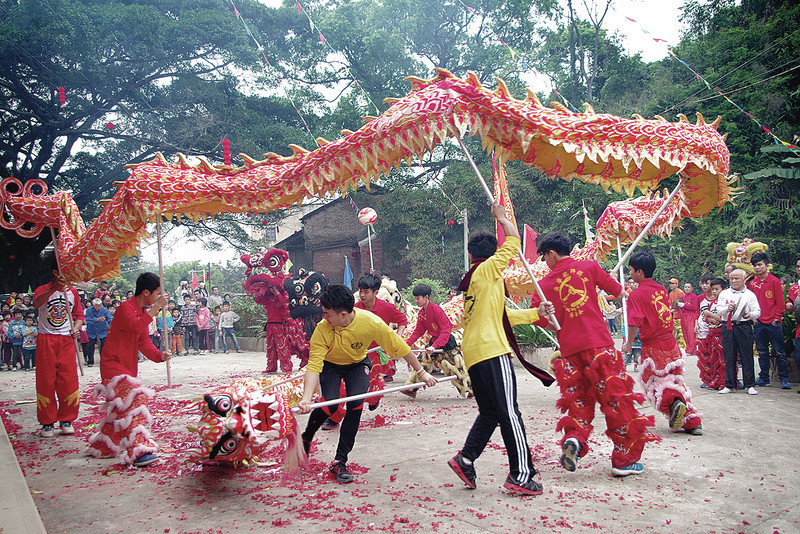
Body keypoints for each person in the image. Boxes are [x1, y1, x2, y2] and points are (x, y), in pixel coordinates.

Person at [448, 201, 552, 497]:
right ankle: (522, 474)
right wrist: (502, 217)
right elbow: (515, 241)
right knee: (510, 412)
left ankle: (465, 459)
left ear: (470, 255)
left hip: (475, 353)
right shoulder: (489, 268)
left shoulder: (477, 281)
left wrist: (537, 314)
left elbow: (503, 317)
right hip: (492, 351)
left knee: (491, 412)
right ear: (490, 255)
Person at [535, 232, 659, 477]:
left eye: (544, 257)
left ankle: (575, 439)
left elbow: (539, 318)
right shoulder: (589, 268)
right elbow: (618, 292)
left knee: (579, 401)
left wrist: (559, 324)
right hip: (599, 347)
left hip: (569, 352)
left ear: (551, 253)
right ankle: (623, 459)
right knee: (615, 401)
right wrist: (611, 280)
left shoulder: (545, 284)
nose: (545, 263)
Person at [297, 284, 437, 484]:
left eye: (327, 314)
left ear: (343, 315)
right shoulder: (322, 329)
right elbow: (314, 366)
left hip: (357, 364)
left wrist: (421, 373)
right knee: (331, 404)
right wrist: (305, 399)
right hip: (331, 365)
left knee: (356, 406)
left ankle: (340, 461)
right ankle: (306, 438)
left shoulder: (370, 322)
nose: (324, 317)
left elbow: (400, 347)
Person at [87, 272, 172, 467]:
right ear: (146, 292)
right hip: (113, 366)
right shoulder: (125, 309)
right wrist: (156, 309)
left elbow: (143, 341)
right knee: (136, 400)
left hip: (126, 367)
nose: (160, 298)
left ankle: (104, 446)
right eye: (157, 293)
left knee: (119, 411)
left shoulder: (142, 313)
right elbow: (135, 327)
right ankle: (139, 449)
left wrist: (159, 355)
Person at [623, 252, 702, 435]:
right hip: (670, 343)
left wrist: (628, 344)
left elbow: (635, 322)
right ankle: (692, 422)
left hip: (653, 345)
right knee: (673, 380)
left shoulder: (636, 295)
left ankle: (675, 405)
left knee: (656, 382)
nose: (630, 273)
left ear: (640, 272)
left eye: (632, 270)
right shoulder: (660, 289)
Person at [32, 256, 85, 437]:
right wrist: (54, 288)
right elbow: (37, 303)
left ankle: (66, 419)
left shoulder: (73, 293)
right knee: (46, 379)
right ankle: (47, 422)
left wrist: (76, 329)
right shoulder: (42, 289)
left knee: (68, 379)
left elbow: (79, 315)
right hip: (46, 339)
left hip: (66, 340)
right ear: (56, 272)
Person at [402, 282, 472, 398]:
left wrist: (434, 346)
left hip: (447, 344)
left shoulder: (436, 310)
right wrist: (406, 344)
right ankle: (412, 388)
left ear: (426, 297)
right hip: (434, 343)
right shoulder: (421, 313)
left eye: (418, 298)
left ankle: (471, 389)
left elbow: (446, 330)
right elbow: (418, 331)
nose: (416, 301)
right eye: (415, 299)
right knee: (421, 364)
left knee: (456, 369)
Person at [747, 252, 790, 389]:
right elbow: (751, 303)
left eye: (760, 265)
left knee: (779, 352)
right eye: (755, 265)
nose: (757, 268)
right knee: (762, 352)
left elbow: (780, 302)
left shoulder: (775, 281)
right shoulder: (752, 283)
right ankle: (764, 377)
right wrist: (754, 318)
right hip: (759, 322)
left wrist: (777, 318)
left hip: (773, 322)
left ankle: (784, 379)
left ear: (766, 265)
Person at [718, 269, 761, 395]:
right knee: (729, 355)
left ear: (744, 279)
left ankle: (750, 384)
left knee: (746, 355)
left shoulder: (750, 295)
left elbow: (757, 312)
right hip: (728, 326)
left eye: (737, 278)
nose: (734, 281)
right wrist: (727, 308)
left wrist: (750, 314)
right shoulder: (724, 294)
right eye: (732, 278)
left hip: (744, 326)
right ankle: (730, 384)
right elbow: (719, 311)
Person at [695, 277, 725, 390]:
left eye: (715, 288)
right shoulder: (702, 299)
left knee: (721, 358)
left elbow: (722, 318)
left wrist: (710, 316)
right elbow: (699, 313)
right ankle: (709, 379)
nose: (713, 291)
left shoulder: (723, 301)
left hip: (719, 332)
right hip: (707, 331)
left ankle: (726, 380)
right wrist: (698, 323)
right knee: (708, 355)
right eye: (702, 283)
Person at [785, 256, 800, 392]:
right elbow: (789, 303)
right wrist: (789, 305)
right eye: (798, 267)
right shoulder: (794, 287)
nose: (799, 269)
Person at [84, 298, 113, 367]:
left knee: (104, 346)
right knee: (90, 346)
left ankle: (104, 360)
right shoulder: (88, 310)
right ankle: (90, 361)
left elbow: (110, 318)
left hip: (102, 330)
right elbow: (87, 319)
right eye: (96, 306)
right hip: (92, 330)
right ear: (93, 305)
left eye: (99, 305)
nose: (98, 307)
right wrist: (97, 319)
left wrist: (111, 326)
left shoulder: (104, 310)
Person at [679, 282, 700, 355]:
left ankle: (692, 350)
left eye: (688, 287)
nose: (687, 289)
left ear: (692, 289)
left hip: (691, 316)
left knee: (691, 333)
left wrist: (684, 305)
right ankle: (688, 348)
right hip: (684, 316)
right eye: (685, 287)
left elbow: (694, 307)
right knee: (685, 333)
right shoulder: (683, 298)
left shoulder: (694, 297)